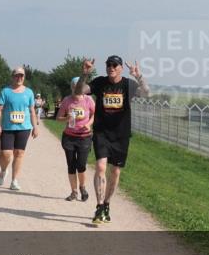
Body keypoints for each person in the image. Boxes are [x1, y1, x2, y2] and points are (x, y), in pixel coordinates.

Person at [74, 56, 149, 225]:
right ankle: (100, 207)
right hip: (102, 132)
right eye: (108, 65)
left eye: (115, 65)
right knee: (101, 166)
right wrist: (84, 74)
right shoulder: (99, 82)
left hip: (121, 135)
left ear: (121, 68)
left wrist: (139, 76)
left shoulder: (128, 84)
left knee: (115, 171)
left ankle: (107, 203)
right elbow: (79, 91)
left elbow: (146, 93)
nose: (111, 67)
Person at [0, 67, 39, 191]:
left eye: (22, 76)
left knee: (19, 153)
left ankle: (14, 181)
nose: (19, 78)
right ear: (12, 77)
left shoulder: (29, 92)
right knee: (5, 154)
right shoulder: (5, 91)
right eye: (17, 75)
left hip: (24, 128)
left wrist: (35, 127)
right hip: (8, 127)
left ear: (24, 77)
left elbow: (31, 111)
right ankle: (3, 171)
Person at [56, 77, 95, 202]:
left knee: (81, 165)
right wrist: (66, 118)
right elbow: (58, 118)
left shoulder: (89, 100)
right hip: (69, 137)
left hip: (84, 137)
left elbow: (95, 114)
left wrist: (88, 124)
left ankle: (82, 187)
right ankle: (74, 192)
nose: (77, 89)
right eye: (75, 86)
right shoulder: (67, 101)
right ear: (72, 87)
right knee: (71, 165)